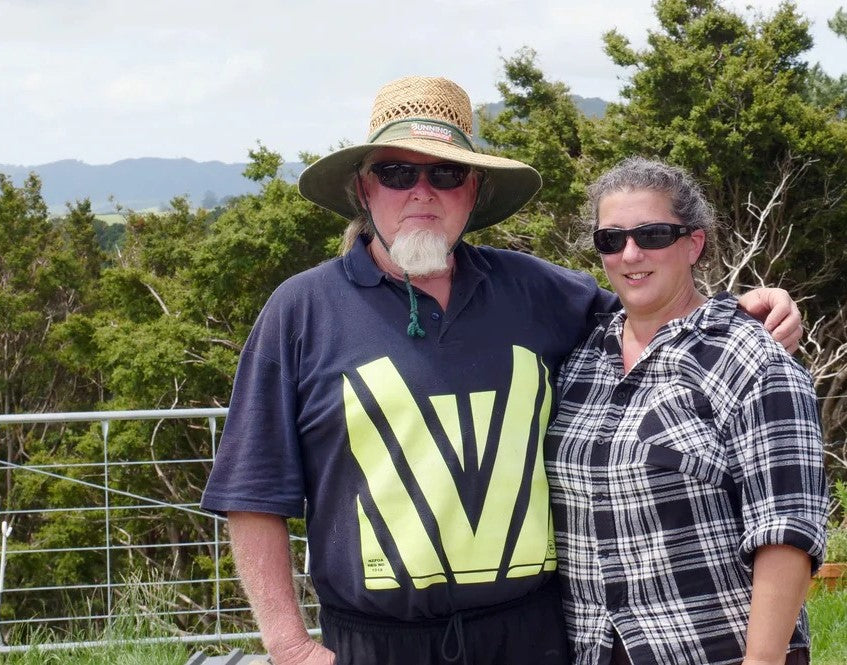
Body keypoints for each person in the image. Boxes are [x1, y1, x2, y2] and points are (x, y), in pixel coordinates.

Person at [200, 78, 801, 665]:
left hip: (533, 634)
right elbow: (253, 492)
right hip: (372, 642)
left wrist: (743, 307)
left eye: (446, 173)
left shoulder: (539, 291)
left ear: (474, 189)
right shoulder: (301, 312)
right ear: (363, 188)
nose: (422, 192)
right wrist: (289, 646)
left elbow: (652, 301)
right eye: (397, 172)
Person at [546, 157, 828, 665]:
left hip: (715, 650)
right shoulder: (580, 359)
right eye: (611, 240)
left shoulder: (750, 359)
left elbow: (786, 531)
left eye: (652, 234)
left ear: (694, 243)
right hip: (593, 649)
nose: (630, 253)